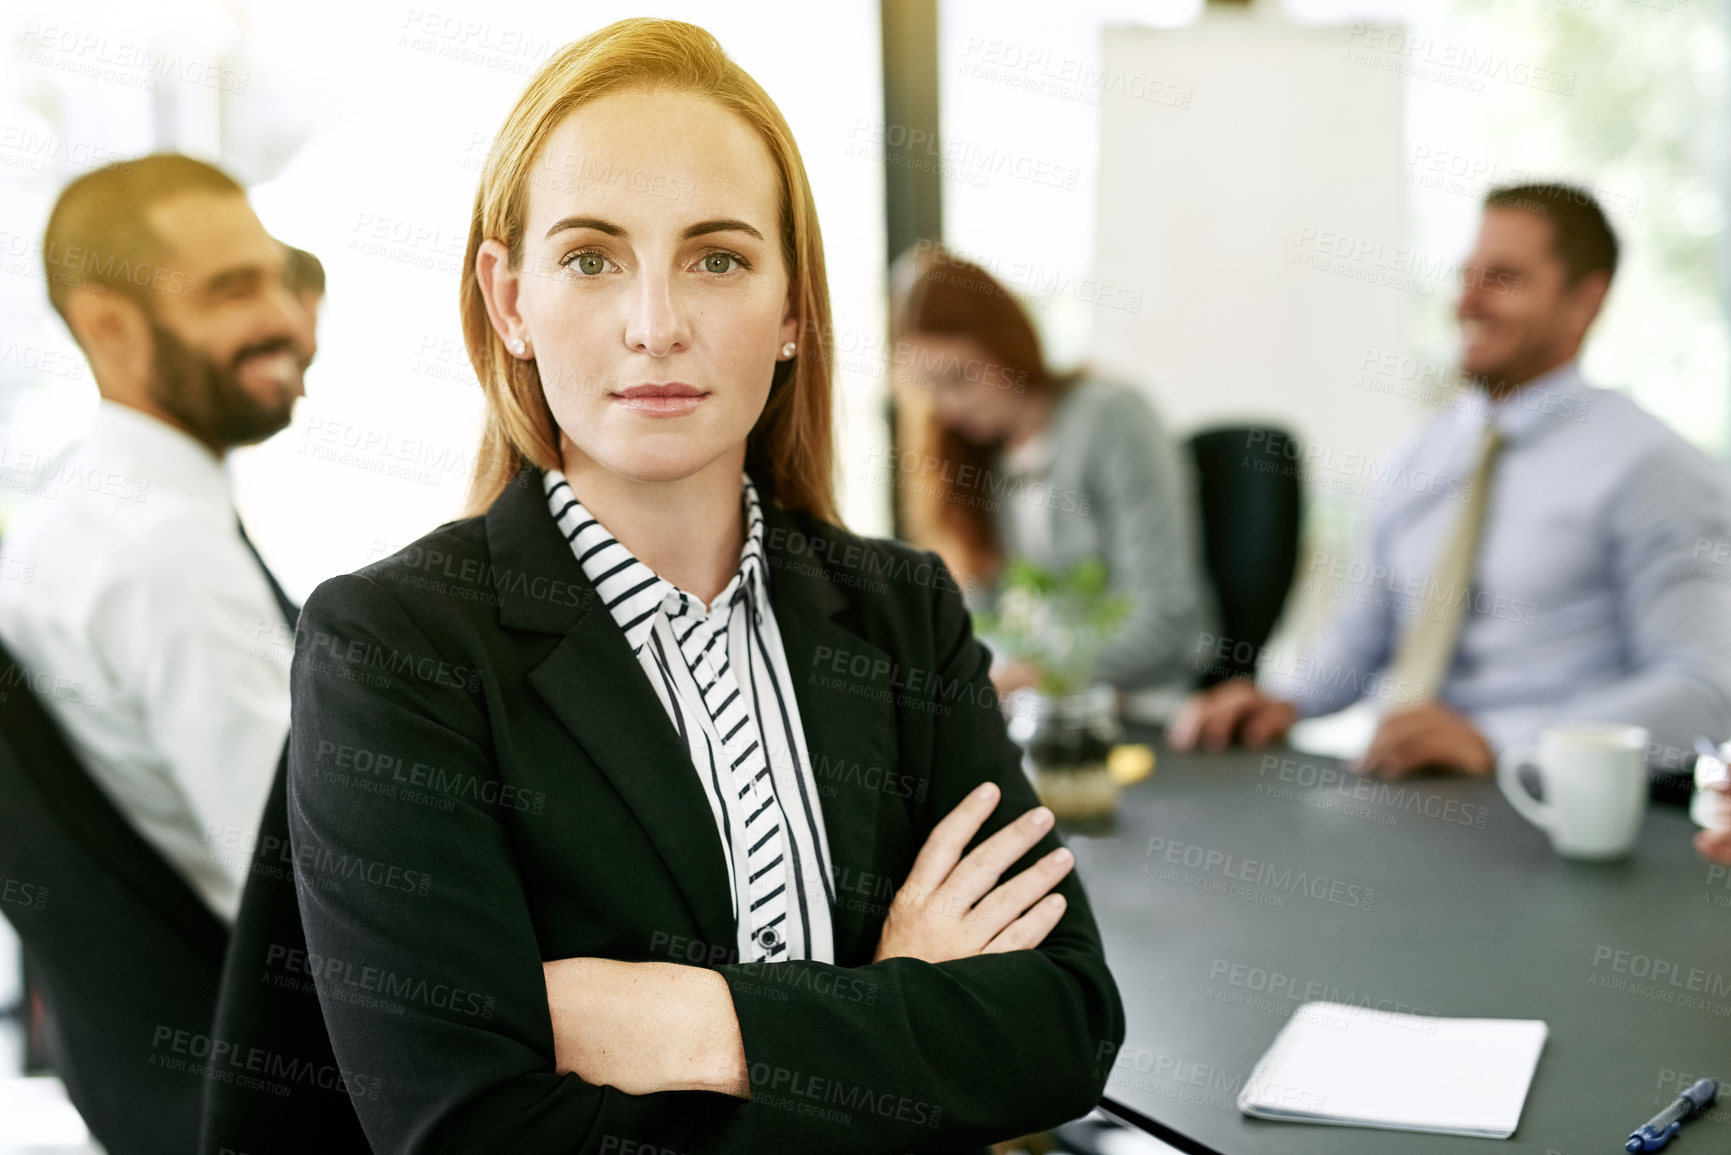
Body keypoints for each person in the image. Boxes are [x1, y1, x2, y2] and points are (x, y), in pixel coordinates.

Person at [285, 18, 1123, 1154]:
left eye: (717, 257)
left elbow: (1065, 1024)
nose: (657, 325)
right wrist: (898, 1015)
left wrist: (692, 1024)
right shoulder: (395, 650)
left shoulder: (901, 613)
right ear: (509, 300)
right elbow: (473, 1136)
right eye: (590, 258)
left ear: (790, 311)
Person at [1171, 183, 1731, 779]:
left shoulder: (1655, 468)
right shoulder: (1413, 457)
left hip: (1548, 808)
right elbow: (1363, 637)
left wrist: (1501, 742)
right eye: (1467, 275)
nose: (1467, 301)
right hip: (1400, 795)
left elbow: (1704, 692)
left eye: (1504, 278)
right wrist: (1283, 701)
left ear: (1585, 300)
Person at [0, 154, 310, 922]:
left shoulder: (74, 523)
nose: (286, 319)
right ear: (108, 324)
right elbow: (311, 881)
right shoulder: (167, 554)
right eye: (232, 291)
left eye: (278, 280)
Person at [887, 243, 1210, 705]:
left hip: (1142, 704)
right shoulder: (980, 457)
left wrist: (1039, 673)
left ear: (1006, 344)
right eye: (931, 389)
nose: (948, 407)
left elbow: (1165, 618)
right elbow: (987, 612)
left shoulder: (1112, 419)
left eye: (960, 376)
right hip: (1039, 709)